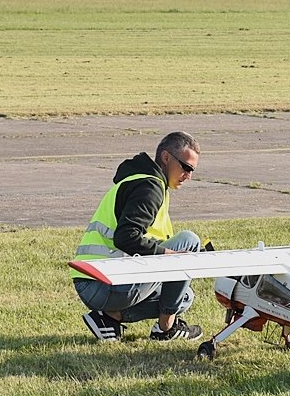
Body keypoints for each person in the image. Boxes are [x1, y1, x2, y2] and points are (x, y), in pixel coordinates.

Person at [72, 131, 204, 342]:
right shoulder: (149, 188)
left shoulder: (143, 181)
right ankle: (166, 328)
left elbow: (142, 237)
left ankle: (108, 319)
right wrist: (167, 255)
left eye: (192, 170)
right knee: (189, 241)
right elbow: (125, 237)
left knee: (184, 297)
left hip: (92, 281)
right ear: (166, 157)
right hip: (102, 283)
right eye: (186, 168)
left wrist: (168, 253)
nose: (188, 176)